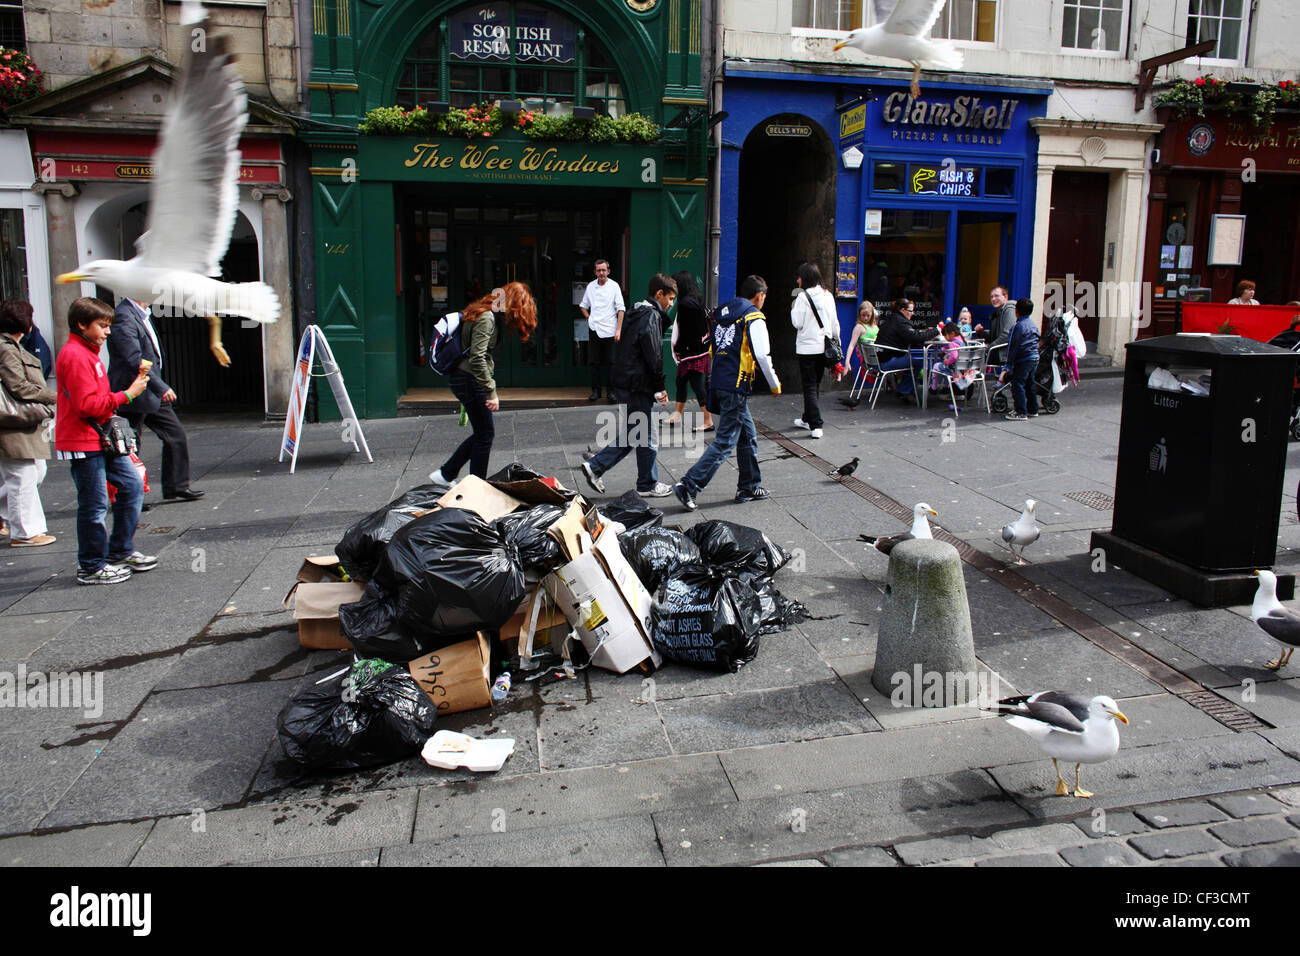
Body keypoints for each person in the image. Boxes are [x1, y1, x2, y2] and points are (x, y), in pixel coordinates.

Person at [55, 297, 156, 584]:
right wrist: (128, 394)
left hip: (97, 438)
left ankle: (119, 551)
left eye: (108, 326)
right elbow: (87, 405)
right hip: (83, 440)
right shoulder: (75, 355)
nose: (107, 332)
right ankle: (91, 566)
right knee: (95, 503)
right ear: (81, 325)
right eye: (102, 326)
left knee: (132, 485)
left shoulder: (86, 352)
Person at [673, 275, 781, 510]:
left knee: (748, 435)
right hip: (735, 385)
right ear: (759, 295)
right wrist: (774, 384)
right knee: (725, 441)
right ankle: (689, 485)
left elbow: (712, 347)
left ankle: (749, 486)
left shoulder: (724, 313)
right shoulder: (753, 315)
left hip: (719, 382)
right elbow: (762, 355)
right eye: (764, 297)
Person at [430, 282, 538, 483]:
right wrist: (491, 392)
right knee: (485, 434)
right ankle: (473, 484)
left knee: (482, 433)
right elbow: (477, 357)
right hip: (470, 380)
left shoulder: (482, 311)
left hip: (465, 379)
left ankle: (448, 473)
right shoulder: (487, 317)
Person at [580, 274, 676, 498]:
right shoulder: (651, 315)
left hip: (631, 381)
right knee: (641, 433)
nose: (671, 305)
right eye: (670, 299)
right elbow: (653, 355)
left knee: (641, 433)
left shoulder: (637, 312)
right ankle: (597, 467)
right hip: (639, 383)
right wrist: (660, 386)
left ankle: (646, 483)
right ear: (658, 294)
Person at [108, 298, 203, 503]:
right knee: (130, 444)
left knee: (175, 434)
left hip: (149, 388)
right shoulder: (124, 316)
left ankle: (176, 486)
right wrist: (161, 387)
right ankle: (128, 495)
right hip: (133, 390)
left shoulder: (143, 314)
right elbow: (133, 358)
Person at [0, 300, 57, 547]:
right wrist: (56, 397)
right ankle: (24, 533)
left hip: (20, 421)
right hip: (14, 422)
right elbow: (19, 387)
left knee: (31, 472)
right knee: (22, 475)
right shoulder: (6, 348)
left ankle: (9, 518)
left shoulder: (10, 346)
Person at [790, 262, 840, 439]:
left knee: (809, 386)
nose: (797, 280)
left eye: (799, 276)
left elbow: (797, 323)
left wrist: (793, 306)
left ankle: (816, 424)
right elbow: (834, 323)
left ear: (805, 278)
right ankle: (806, 418)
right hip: (824, 348)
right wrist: (837, 342)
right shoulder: (828, 296)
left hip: (806, 348)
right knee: (815, 384)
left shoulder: (803, 297)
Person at [662, 270, 714, 431]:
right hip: (699, 349)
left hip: (691, 352)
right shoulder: (695, 300)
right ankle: (677, 414)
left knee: (697, 385)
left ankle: (708, 420)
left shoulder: (685, 304)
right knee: (681, 381)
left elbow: (686, 330)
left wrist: (679, 348)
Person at [875, 297, 942, 405]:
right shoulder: (901, 322)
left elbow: (911, 336)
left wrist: (920, 333)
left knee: (911, 361)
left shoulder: (892, 318)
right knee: (919, 361)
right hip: (886, 362)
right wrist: (936, 330)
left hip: (879, 359)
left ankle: (907, 391)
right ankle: (904, 390)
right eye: (910, 311)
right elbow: (915, 338)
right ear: (903, 310)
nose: (912, 313)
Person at [579, 259, 625, 402]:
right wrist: (588, 318)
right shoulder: (591, 287)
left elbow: (621, 309)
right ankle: (596, 391)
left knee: (612, 362)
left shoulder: (614, 286)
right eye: (598, 270)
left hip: (611, 329)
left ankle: (612, 393)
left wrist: (618, 330)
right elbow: (583, 305)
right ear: (595, 272)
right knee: (593, 362)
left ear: (608, 271)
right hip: (594, 328)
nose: (601, 273)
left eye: (603, 270)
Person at [999, 298, 1040, 421]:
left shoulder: (1018, 326)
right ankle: (1033, 409)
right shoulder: (1032, 324)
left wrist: (1008, 364)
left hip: (1024, 359)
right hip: (1034, 358)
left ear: (1016, 311)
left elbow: (1013, 346)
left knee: (1018, 384)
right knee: (1030, 384)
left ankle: (1021, 412)